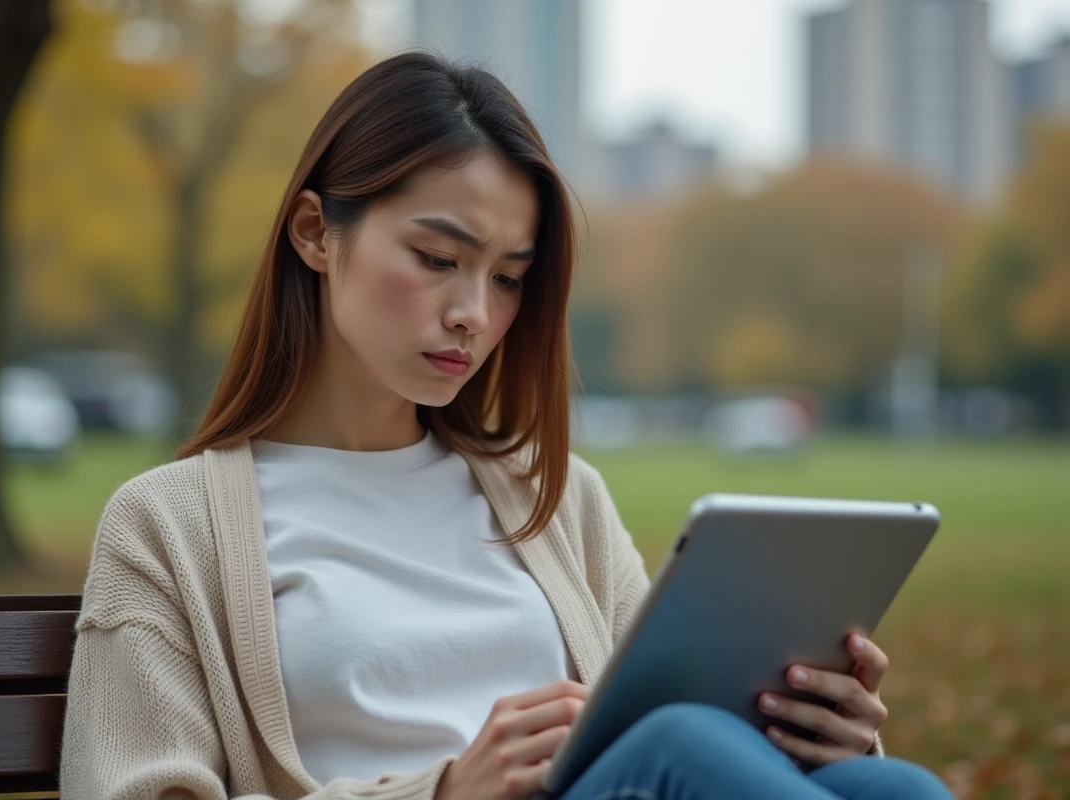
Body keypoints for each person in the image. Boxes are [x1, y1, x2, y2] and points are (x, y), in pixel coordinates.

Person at [60, 52, 953, 800]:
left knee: (889, 786)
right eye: (439, 259)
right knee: (680, 746)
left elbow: (666, 731)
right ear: (314, 234)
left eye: (509, 277)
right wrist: (443, 790)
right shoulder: (165, 528)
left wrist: (812, 732)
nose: (473, 315)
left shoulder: (555, 498)